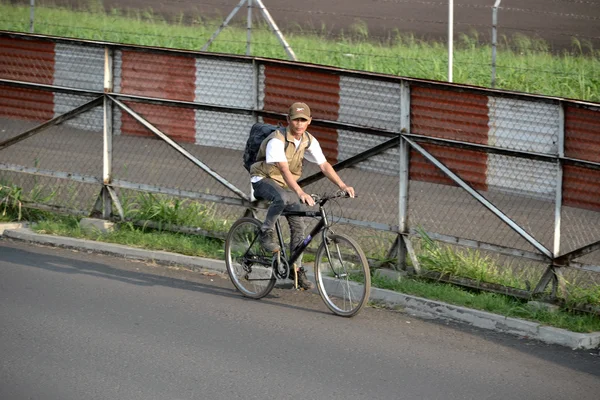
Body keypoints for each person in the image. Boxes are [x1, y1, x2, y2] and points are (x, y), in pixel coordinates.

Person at [249, 102, 355, 290]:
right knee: (281, 198)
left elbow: (324, 165)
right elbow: (282, 168)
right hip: (263, 178)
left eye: (303, 120)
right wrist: (300, 192)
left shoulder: (308, 140)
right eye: (296, 120)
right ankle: (266, 232)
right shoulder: (277, 140)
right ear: (288, 120)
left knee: (299, 224)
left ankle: (294, 269)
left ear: (309, 122)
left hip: (284, 183)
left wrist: (342, 185)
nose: (299, 124)